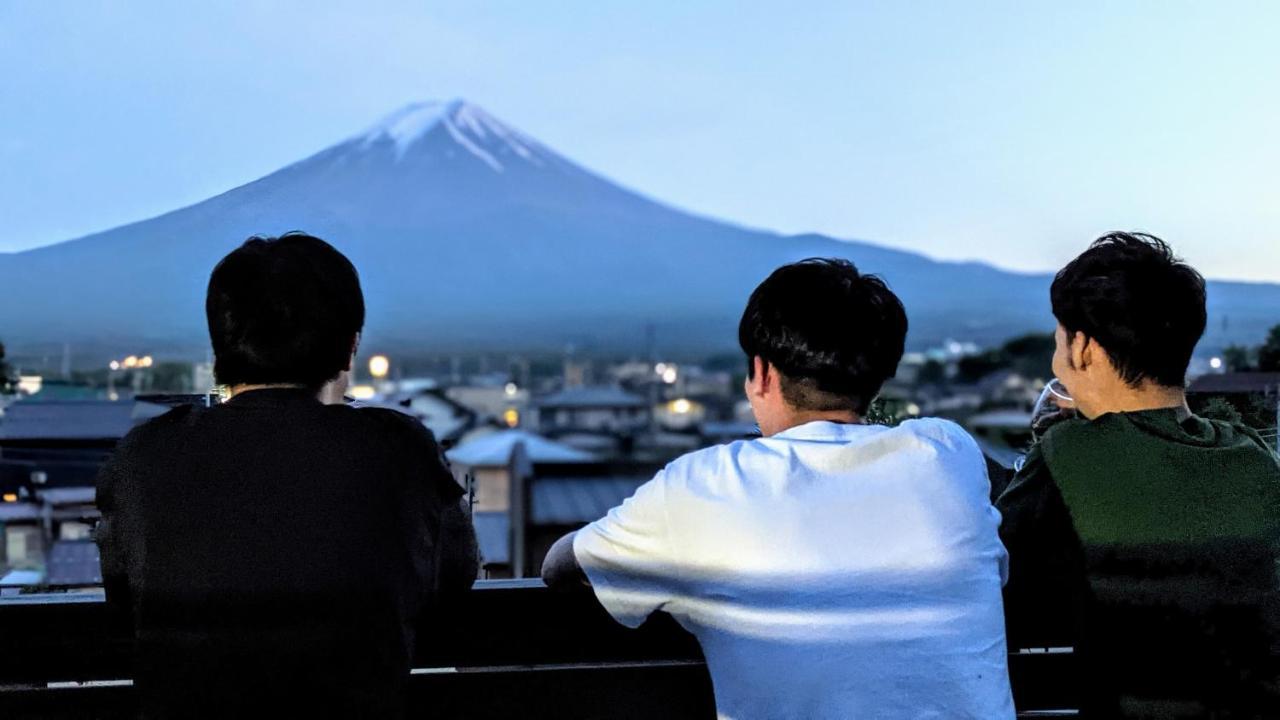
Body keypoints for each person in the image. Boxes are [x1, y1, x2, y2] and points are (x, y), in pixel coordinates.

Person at [542, 258, 1015, 719]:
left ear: (763, 373)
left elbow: (560, 567)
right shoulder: (946, 451)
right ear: (878, 374)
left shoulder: (703, 485)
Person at [95, 233, 478, 718]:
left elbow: (124, 596)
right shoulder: (398, 449)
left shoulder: (144, 455)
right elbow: (453, 576)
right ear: (350, 347)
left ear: (220, 349)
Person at [997, 232, 1280, 717]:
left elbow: (998, 576)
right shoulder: (1252, 454)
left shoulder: (1070, 453)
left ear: (1082, 349)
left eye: (1059, 342)